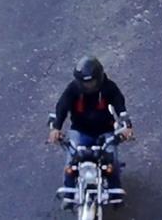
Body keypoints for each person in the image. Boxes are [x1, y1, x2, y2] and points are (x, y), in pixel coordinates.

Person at [47, 56, 134, 208]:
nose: (88, 86)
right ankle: (69, 194)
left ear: (99, 77)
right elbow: (62, 106)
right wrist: (56, 128)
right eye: (85, 82)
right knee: (71, 160)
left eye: (91, 82)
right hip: (80, 131)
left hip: (105, 131)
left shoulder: (109, 87)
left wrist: (126, 126)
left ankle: (115, 194)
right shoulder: (73, 89)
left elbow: (120, 106)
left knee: (111, 160)